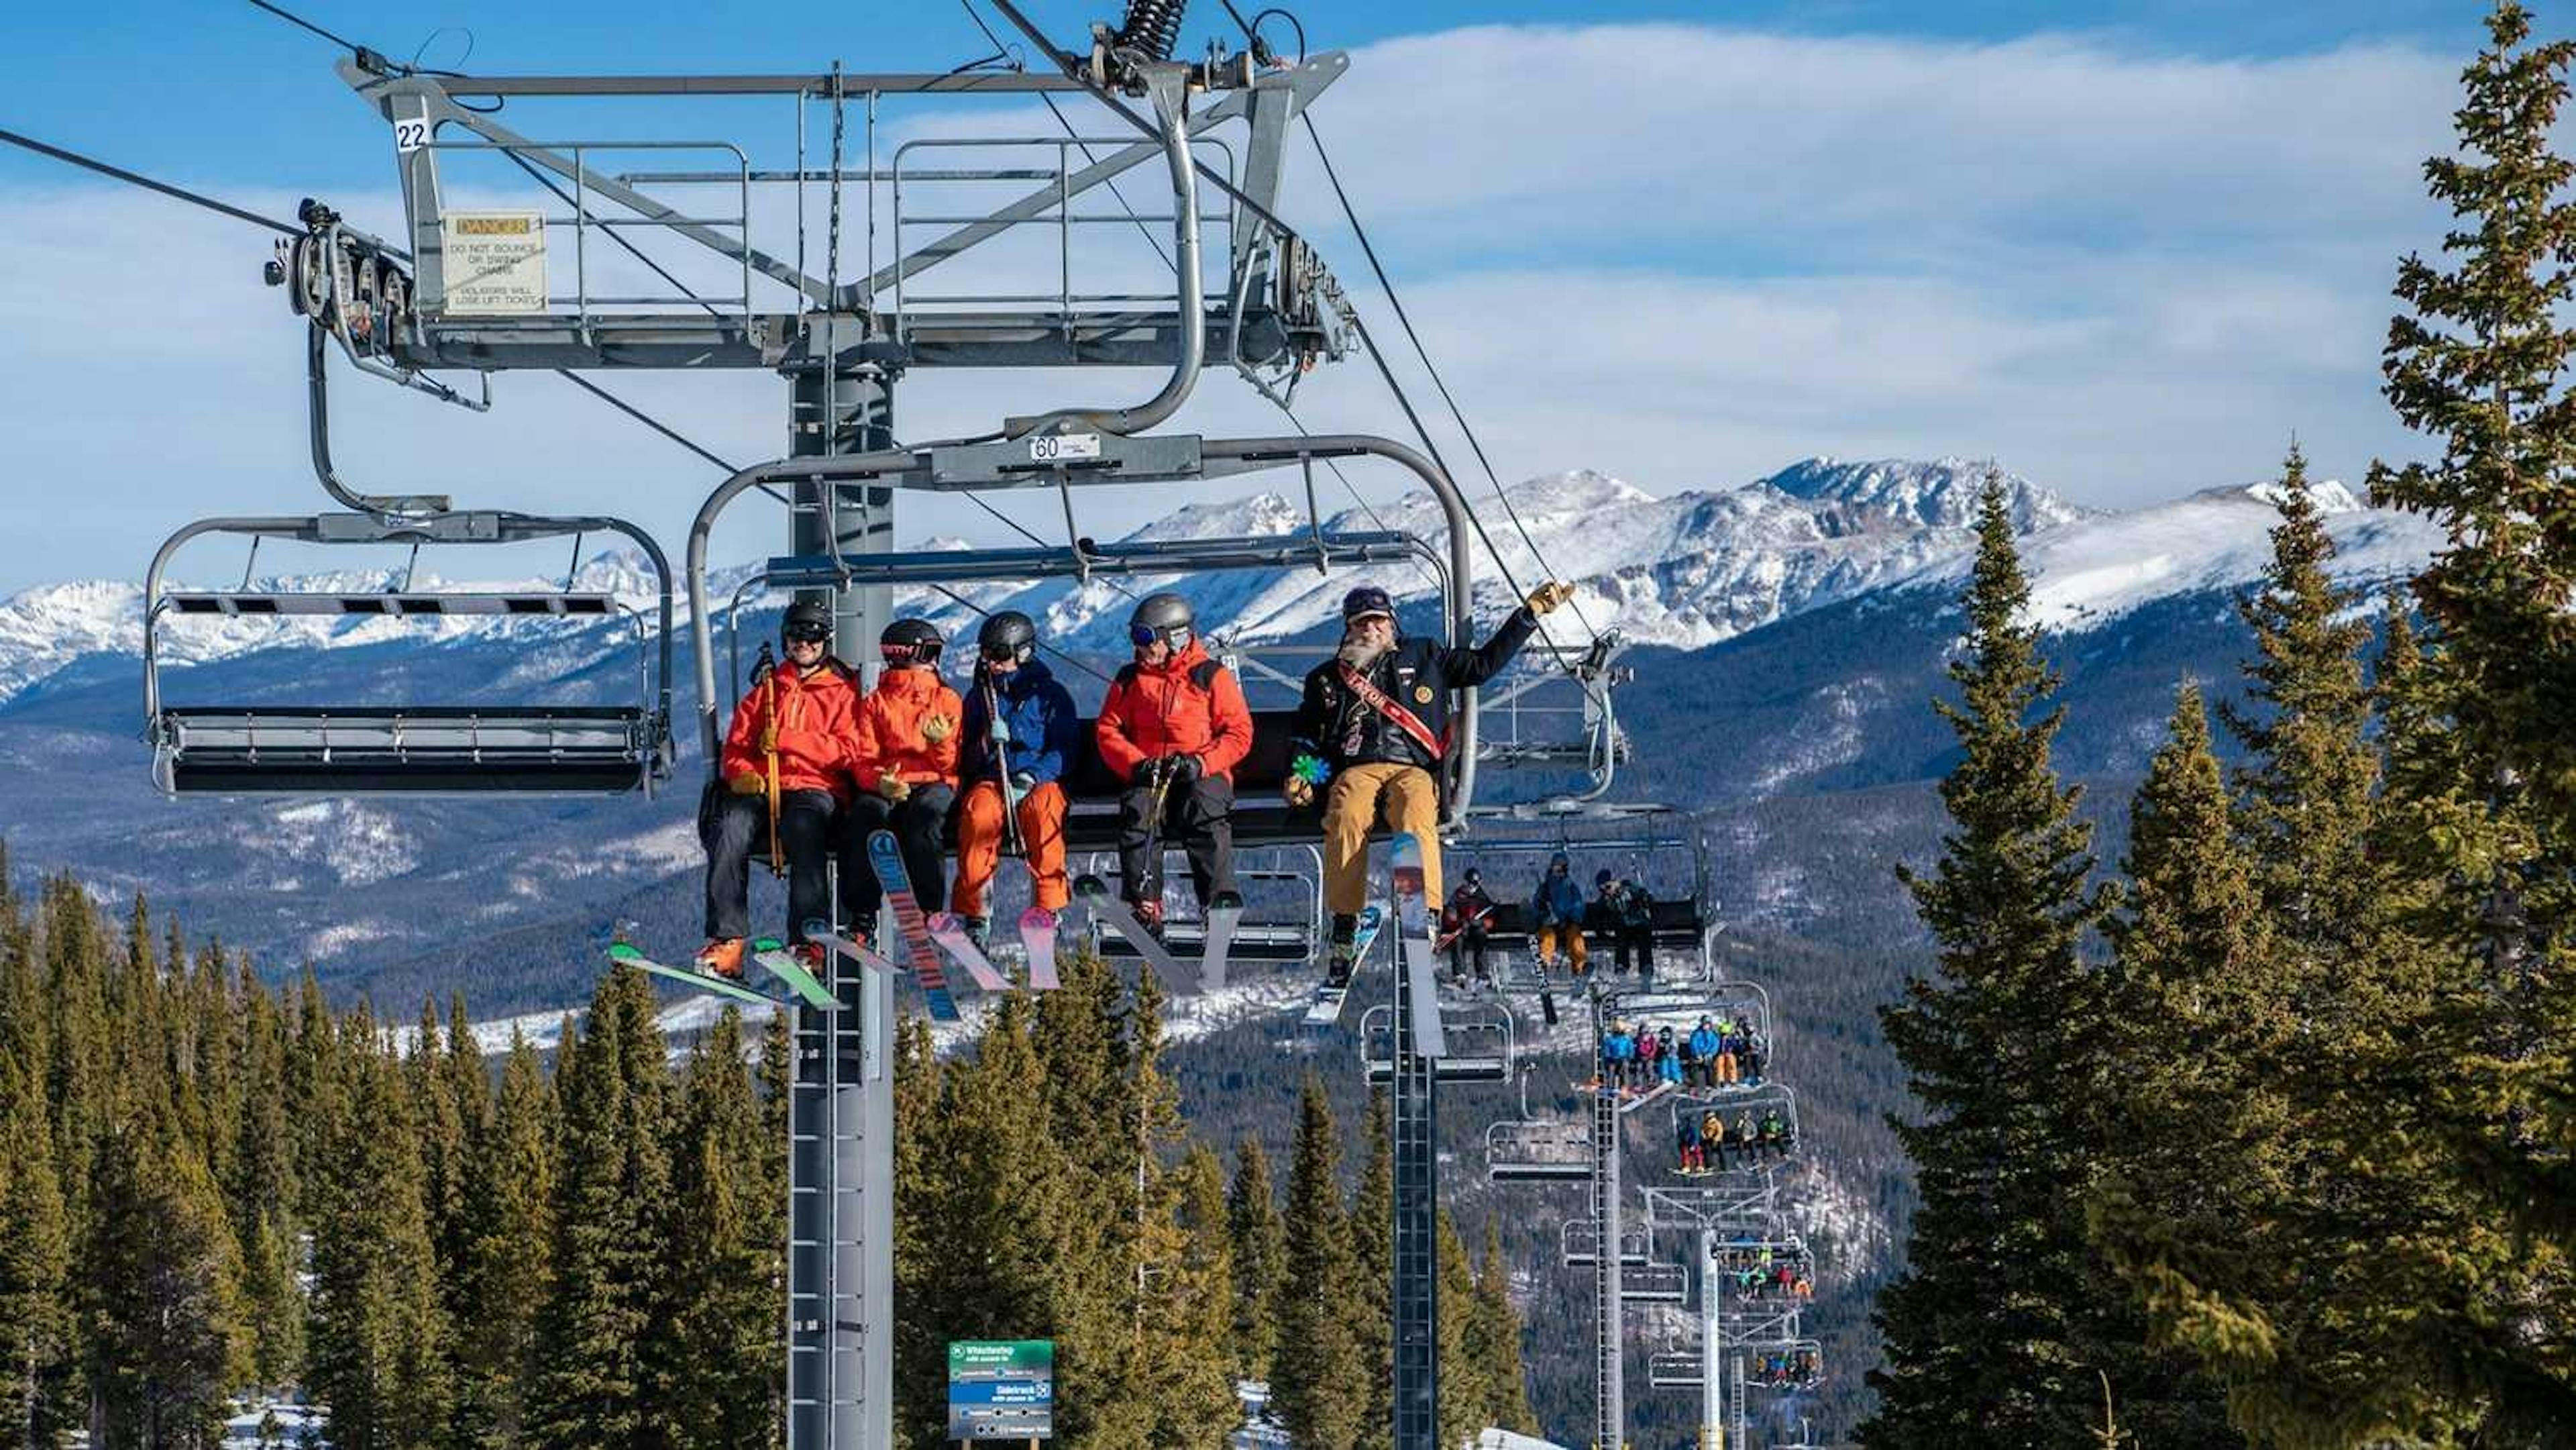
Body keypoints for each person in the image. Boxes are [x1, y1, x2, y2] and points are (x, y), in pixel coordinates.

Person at [1288, 580, 1574, 986]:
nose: (1371, 630)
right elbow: (1308, 738)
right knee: (1347, 812)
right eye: (1362, 624)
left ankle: (1423, 909)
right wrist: (1303, 775)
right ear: (1348, 630)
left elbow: (1482, 665)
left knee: (1415, 811)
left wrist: (1526, 617)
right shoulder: (1327, 680)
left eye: (1379, 622)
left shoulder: (1425, 656)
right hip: (1357, 767)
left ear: (1393, 624)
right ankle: (1346, 921)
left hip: (1414, 766)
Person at [700, 601, 864, 978]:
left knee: (804, 829)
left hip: (816, 787)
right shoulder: (768, 692)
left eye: (813, 636)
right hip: (766, 785)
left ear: (825, 641)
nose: (803, 644)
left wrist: (791, 740)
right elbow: (738, 748)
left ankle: (808, 939)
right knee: (729, 827)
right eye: (795, 636)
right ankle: (729, 938)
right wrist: (743, 775)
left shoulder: (842, 692)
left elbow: (849, 751)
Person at [1095, 592, 1252, 931]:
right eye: (1137, 638)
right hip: (1151, 771)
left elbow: (1238, 733)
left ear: (1174, 637)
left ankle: (1216, 904)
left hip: (1201, 772)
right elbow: (1108, 729)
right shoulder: (1130, 680)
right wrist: (1136, 764)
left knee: (1205, 810)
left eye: (1146, 638)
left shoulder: (1209, 677)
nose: (1140, 648)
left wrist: (1201, 763)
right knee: (1140, 811)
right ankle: (1144, 902)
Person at [951, 611, 1077, 949]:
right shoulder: (981, 698)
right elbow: (965, 755)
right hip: (995, 778)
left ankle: (1048, 908)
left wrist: (1032, 775)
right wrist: (985, 744)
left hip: (1039, 778)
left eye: (1001, 655)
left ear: (1023, 653)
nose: (992, 663)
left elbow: (1065, 749)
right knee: (979, 812)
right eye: (987, 655)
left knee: (1044, 809)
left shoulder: (1050, 696)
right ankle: (976, 910)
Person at [841, 618, 963, 932]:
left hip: (933, 781)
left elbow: (950, 765)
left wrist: (939, 744)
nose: (935, 661)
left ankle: (928, 908)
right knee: (866, 816)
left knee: (925, 817)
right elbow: (863, 757)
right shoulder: (877, 702)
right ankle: (865, 914)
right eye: (931, 652)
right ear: (910, 653)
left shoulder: (945, 699)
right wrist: (880, 781)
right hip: (893, 782)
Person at [1530, 853, 1589, 976]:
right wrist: (1544, 915)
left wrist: (1572, 919)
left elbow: (1578, 905)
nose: (1559, 871)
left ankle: (1580, 966)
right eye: (1556, 868)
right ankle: (1544, 962)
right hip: (1550, 924)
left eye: (1562, 868)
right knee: (1548, 937)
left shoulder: (1571, 887)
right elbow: (1536, 906)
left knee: (1575, 938)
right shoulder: (1545, 888)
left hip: (1568, 923)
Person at [1442, 868, 1497, 985]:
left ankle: (1482, 974)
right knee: (1457, 941)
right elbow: (1451, 912)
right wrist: (1459, 921)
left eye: (1475, 884)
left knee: (1481, 937)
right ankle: (1459, 974)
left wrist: (1480, 923)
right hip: (1462, 928)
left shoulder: (1483, 898)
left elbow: (1490, 919)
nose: (1472, 887)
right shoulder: (1459, 895)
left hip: (1477, 929)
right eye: (1470, 883)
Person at [1613, 874, 1657, 978]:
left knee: (1641, 940)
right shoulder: (1614, 897)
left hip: (1637, 926)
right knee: (1624, 941)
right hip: (1630, 927)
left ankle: (1644, 966)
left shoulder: (1629, 893)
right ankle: (1624, 966)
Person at [1688, 1016, 1722, 1090]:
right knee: (1695, 1066)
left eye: (1707, 1024)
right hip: (1699, 1054)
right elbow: (1693, 1044)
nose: (1705, 1026)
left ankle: (1712, 1084)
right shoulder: (1697, 1033)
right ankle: (1695, 1084)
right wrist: (1698, 1054)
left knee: (1710, 1065)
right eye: (1704, 1024)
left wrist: (1711, 1053)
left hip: (1709, 1055)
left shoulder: (1713, 1034)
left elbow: (1715, 1045)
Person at [1675, 1110, 1702, 1175]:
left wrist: (1693, 1145)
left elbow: (1695, 1137)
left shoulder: (1693, 1128)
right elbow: (1682, 1136)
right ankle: (1687, 1166)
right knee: (1685, 1153)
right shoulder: (1685, 1129)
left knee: (1697, 1153)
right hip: (1687, 1143)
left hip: (1693, 1144)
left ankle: (1699, 1166)